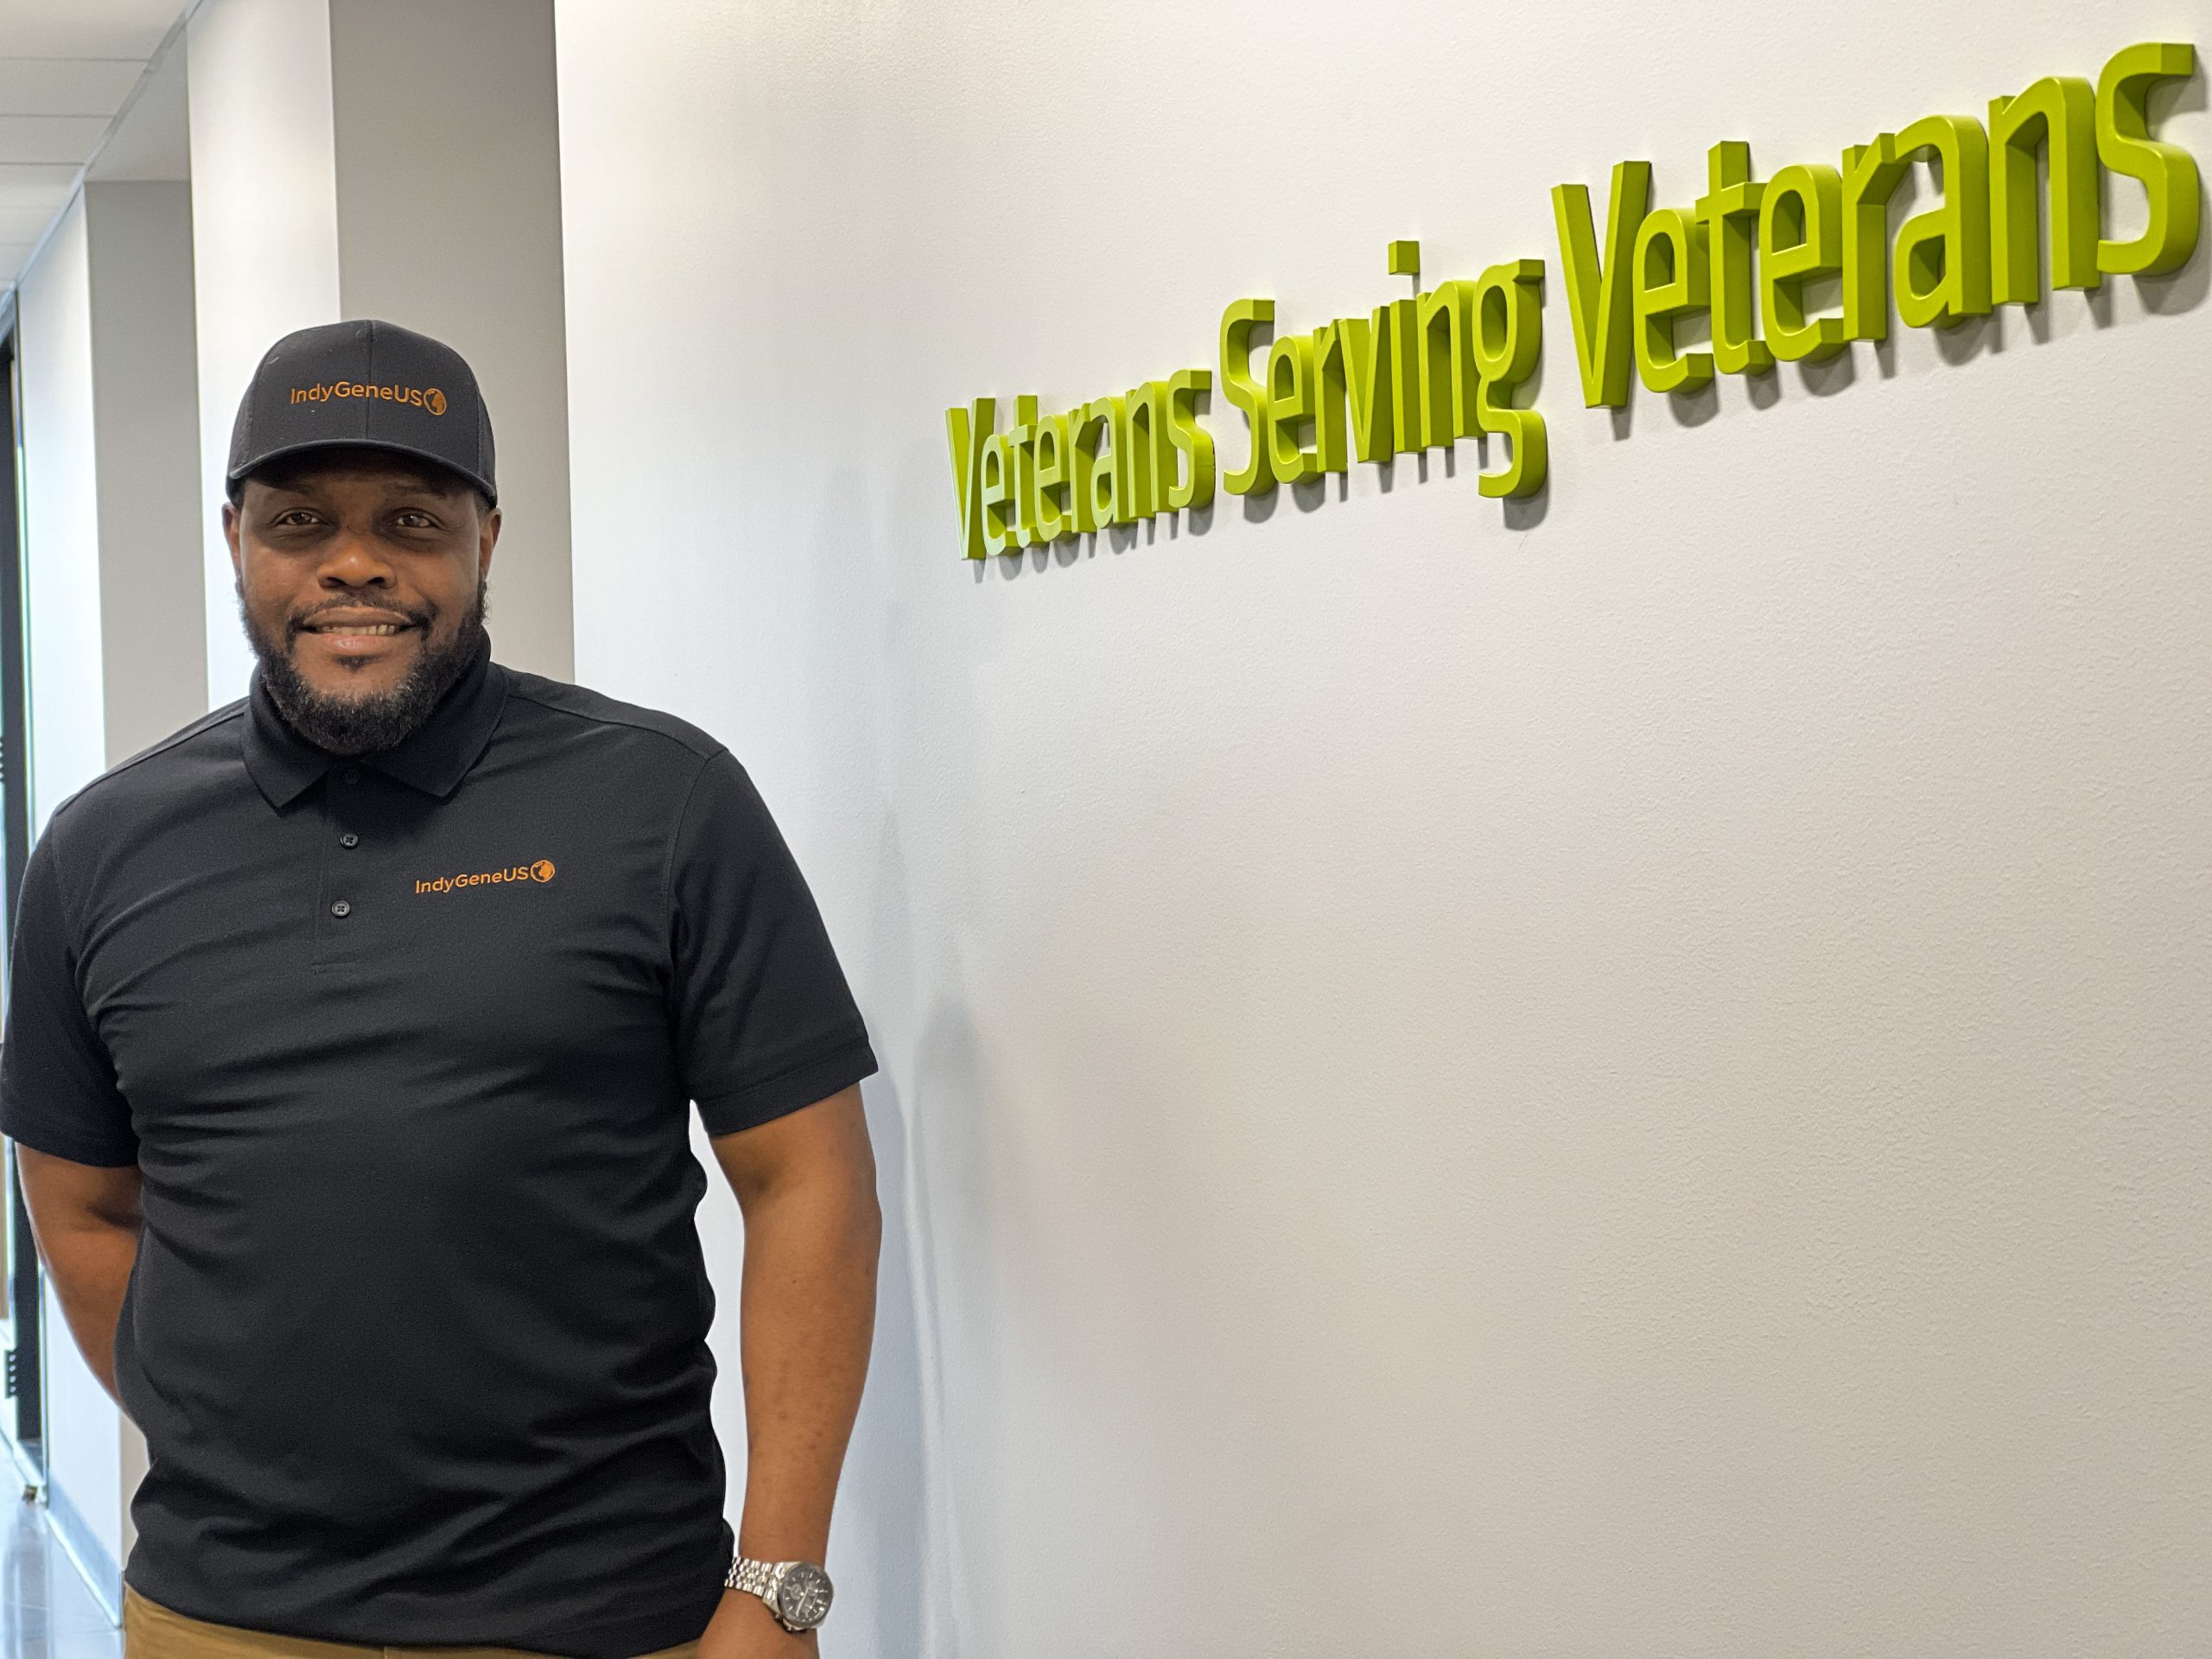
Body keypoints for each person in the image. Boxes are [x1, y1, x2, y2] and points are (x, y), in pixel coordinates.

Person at [1, 320, 881, 1659]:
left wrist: (779, 1587)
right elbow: (79, 1207)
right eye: (304, 519)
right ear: (235, 536)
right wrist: (250, 1441)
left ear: (487, 537)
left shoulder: (662, 801)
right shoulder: (100, 848)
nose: (355, 561)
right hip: (222, 1618)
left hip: (610, 1612)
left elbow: (807, 1181)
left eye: (411, 517)